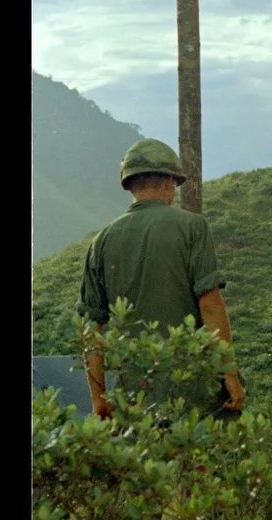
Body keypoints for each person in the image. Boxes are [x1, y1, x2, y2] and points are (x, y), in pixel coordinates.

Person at [76, 138, 246, 422]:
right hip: (194, 393)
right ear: (170, 182)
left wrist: (99, 401)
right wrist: (229, 371)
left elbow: (92, 331)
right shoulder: (193, 227)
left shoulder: (101, 241)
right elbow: (210, 304)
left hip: (135, 399)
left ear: (129, 185)